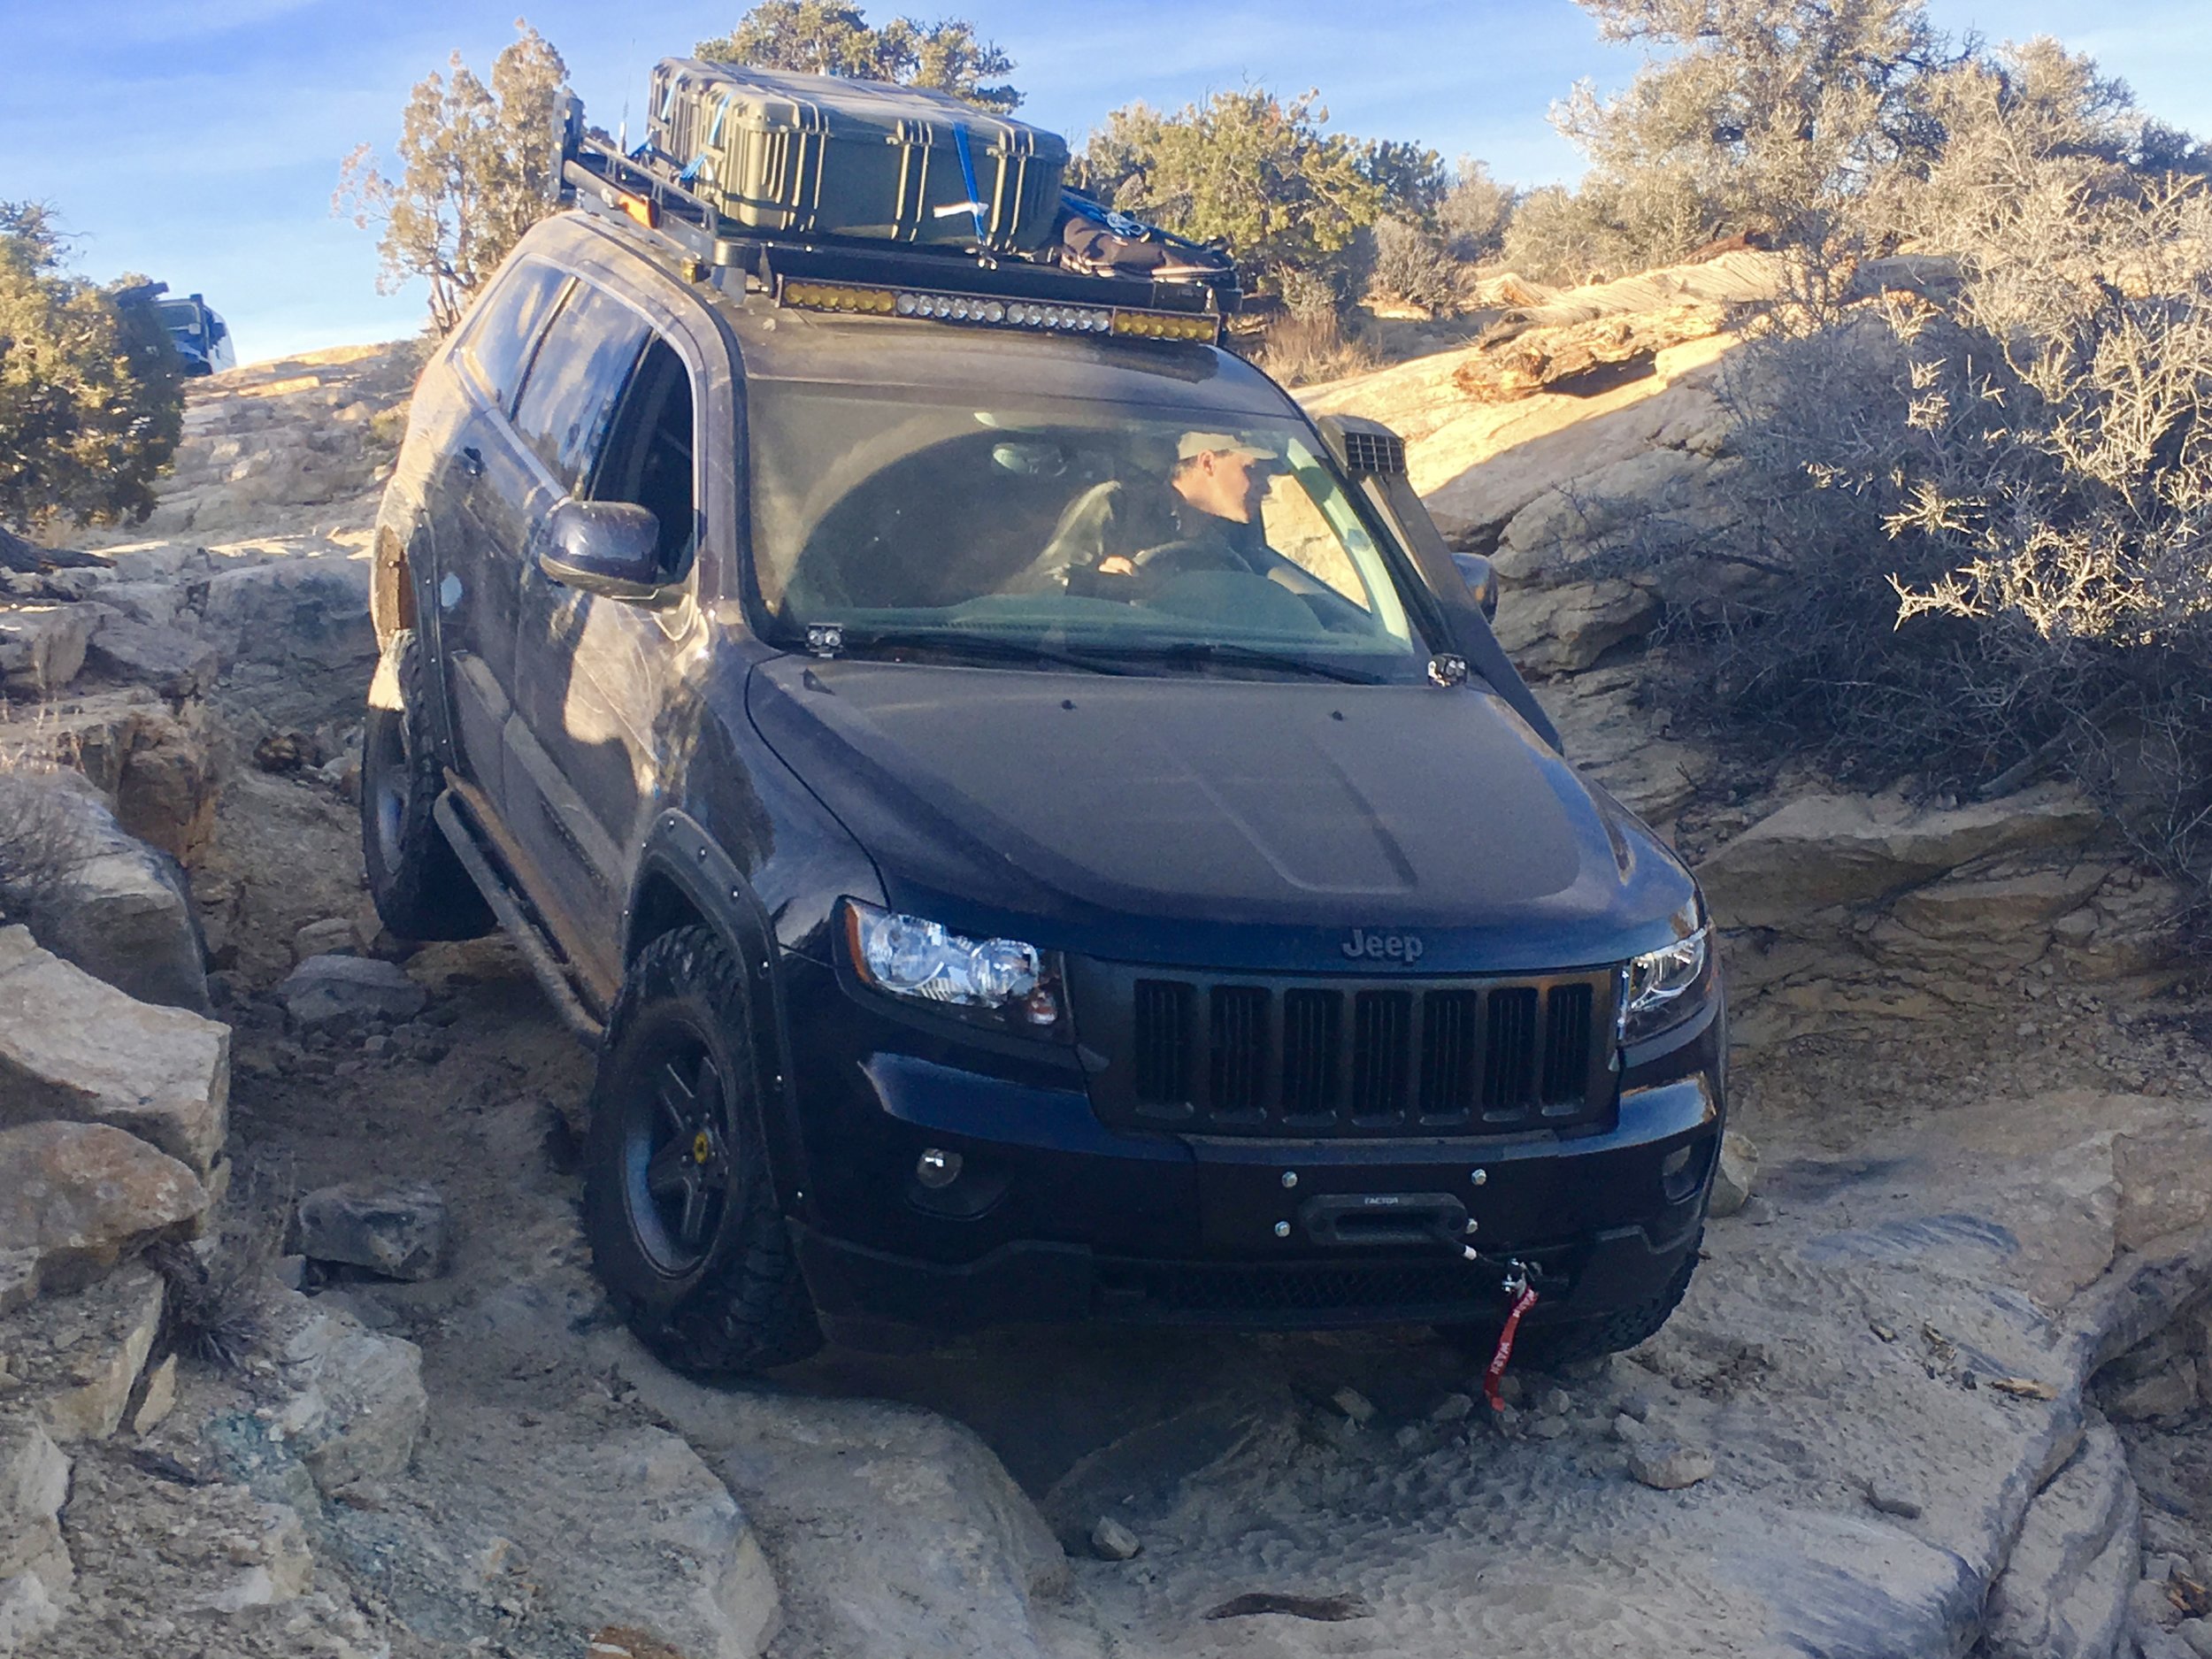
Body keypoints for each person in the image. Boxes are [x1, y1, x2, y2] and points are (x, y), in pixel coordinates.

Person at [1010, 430, 1286, 596]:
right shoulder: (1116, 504)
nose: (1267, 487)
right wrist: (1095, 583)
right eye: (1252, 469)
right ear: (1208, 462)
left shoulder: (1226, 547)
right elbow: (1032, 589)